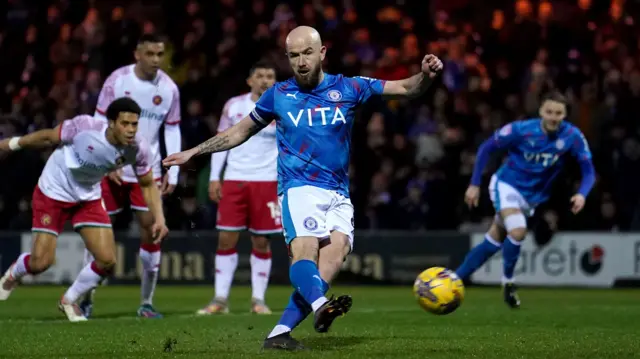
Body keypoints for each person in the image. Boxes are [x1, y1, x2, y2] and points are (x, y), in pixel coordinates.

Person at [162, 26, 443, 350]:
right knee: (304, 252)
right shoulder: (278, 95)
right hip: (298, 188)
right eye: (293, 55)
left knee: (333, 258)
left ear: (322, 53)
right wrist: (194, 152)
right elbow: (238, 132)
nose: (301, 61)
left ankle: (279, 334)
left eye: (307, 53)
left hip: (338, 192)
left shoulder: (349, 87)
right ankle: (320, 306)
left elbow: (407, 88)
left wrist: (425, 76)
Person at [0, 98, 169, 322]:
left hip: (88, 197)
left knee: (107, 260)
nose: (130, 130)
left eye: (134, 124)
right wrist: (12, 144)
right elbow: (48, 137)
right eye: (125, 123)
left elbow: (147, 184)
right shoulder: (85, 127)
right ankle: (14, 273)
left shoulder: (138, 148)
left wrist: (159, 218)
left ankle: (69, 300)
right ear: (111, 122)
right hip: (54, 190)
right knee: (40, 263)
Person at [456, 92, 596, 308]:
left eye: (558, 113)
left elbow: (588, 170)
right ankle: (508, 281)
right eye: (549, 112)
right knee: (518, 230)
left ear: (565, 114)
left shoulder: (573, 136)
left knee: (494, 240)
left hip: (532, 198)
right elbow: (486, 148)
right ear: (541, 112)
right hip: (506, 185)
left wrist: (582, 194)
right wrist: (474, 184)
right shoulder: (520, 130)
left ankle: (454, 279)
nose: (553, 117)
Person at [80, 34, 182, 319]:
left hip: (146, 171)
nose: (156, 60)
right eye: (150, 54)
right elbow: (99, 120)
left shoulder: (169, 88)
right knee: (97, 233)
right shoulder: (117, 80)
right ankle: (85, 298)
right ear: (138, 53)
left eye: (160, 54)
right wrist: (104, 157)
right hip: (110, 168)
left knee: (152, 233)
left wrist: (172, 169)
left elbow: (171, 128)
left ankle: (146, 303)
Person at [197, 61, 279, 316]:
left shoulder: (282, 105)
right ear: (250, 80)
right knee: (226, 239)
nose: (265, 80)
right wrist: (214, 177)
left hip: (267, 181)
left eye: (270, 76)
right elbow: (222, 140)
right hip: (235, 179)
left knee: (261, 241)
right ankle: (220, 299)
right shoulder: (234, 106)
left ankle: (258, 300)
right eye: (260, 75)